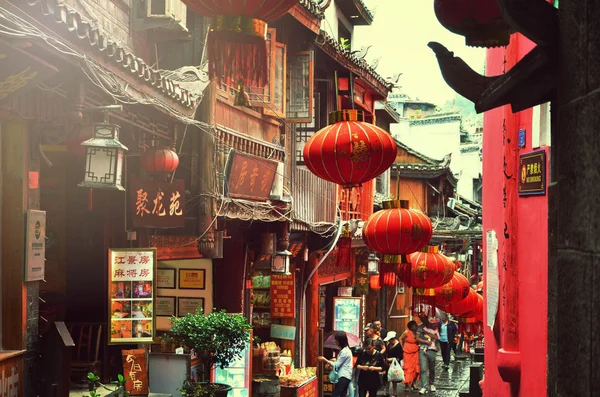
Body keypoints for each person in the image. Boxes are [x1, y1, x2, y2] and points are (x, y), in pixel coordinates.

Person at [318, 331, 353, 397]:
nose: (335, 342)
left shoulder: (345, 352)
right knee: (342, 394)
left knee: (335, 394)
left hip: (343, 376)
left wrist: (325, 360)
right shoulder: (344, 350)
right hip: (345, 376)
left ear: (340, 341)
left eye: (336, 340)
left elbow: (337, 365)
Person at [416, 316, 438, 395]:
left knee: (432, 368)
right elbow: (417, 338)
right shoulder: (420, 327)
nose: (422, 319)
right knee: (423, 369)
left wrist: (430, 336)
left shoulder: (434, 326)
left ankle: (431, 383)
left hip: (432, 349)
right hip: (422, 349)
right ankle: (424, 386)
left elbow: (436, 337)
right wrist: (425, 341)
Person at [399, 321, 420, 392]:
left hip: (415, 351)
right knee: (408, 368)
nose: (416, 327)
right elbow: (400, 338)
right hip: (407, 352)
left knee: (416, 368)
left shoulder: (417, 333)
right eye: (414, 325)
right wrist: (402, 347)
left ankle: (414, 382)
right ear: (411, 327)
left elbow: (418, 341)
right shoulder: (406, 332)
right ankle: (407, 384)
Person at [384, 331, 403, 397]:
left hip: (395, 365)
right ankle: (387, 391)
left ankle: (394, 393)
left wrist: (392, 359)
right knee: (387, 377)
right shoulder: (389, 345)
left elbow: (400, 357)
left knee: (394, 379)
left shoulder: (398, 346)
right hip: (388, 364)